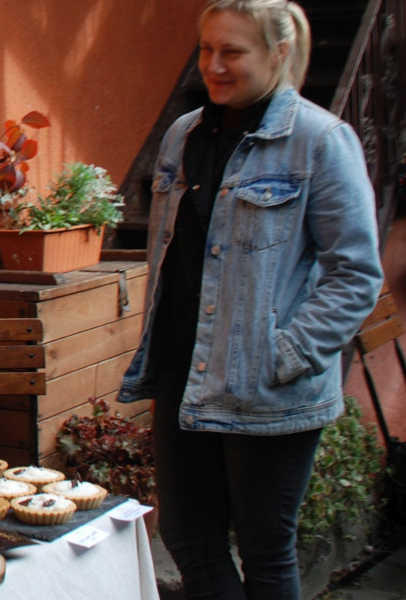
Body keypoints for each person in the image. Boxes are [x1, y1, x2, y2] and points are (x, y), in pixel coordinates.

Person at [118, 1, 383, 598]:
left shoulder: (320, 141)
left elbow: (357, 273)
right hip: (184, 373)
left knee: (265, 551)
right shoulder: (183, 134)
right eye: (207, 49)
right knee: (188, 537)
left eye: (232, 51)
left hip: (269, 388)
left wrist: (284, 354)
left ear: (278, 54)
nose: (213, 65)